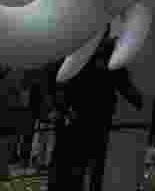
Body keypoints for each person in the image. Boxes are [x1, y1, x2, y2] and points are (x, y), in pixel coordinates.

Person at [49, 34, 146, 191]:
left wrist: (137, 99)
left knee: (86, 162)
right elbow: (59, 80)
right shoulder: (80, 50)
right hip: (80, 115)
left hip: (93, 116)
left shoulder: (101, 52)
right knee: (75, 162)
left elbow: (122, 81)